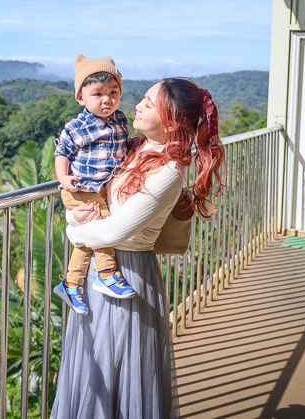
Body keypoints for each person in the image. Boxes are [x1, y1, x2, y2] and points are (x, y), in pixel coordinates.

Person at [51, 77, 225, 419]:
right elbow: (93, 205)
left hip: (127, 274)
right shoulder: (131, 147)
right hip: (100, 270)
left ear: (170, 119)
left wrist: (74, 233)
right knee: (92, 367)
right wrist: (75, 219)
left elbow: (117, 229)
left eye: (148, 102)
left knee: (117, 371)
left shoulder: (170, 170)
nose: (137, 106)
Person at [53, 55, 136, 316]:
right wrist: (63, 178)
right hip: (80, 189)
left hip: (102, 189)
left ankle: (71, 283)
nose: (106, 99)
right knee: (102, 228)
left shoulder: (121, 120)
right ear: (81, 97)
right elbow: (62, 152)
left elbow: (124, 146)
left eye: (113, 92)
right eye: (97, 94)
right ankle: (107, 273)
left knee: (87, 241)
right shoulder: (77, 127)